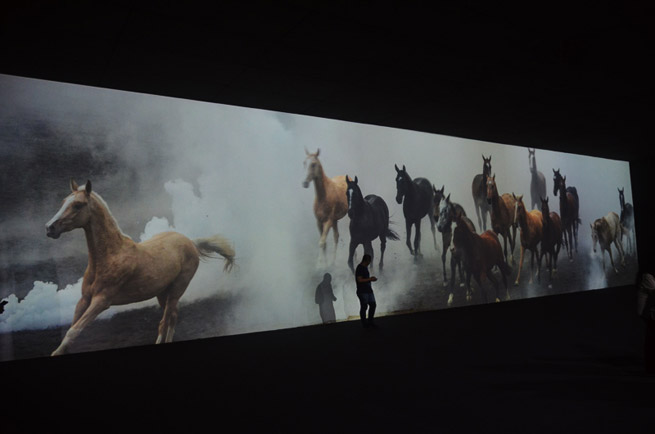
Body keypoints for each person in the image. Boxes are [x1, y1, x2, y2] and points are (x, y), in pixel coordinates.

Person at [638, 272, 655, 373]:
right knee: (651, 341)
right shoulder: (648, 277)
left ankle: (651, 367)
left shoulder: (648, 277)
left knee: (651, 341)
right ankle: (651, 368)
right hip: (650, 314)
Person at [355, 254, 378, 328]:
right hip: (362, 291)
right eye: (369, 261)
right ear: (367, 261)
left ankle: (370, 321)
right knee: (364, 307)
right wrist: (370, 279)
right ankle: (365, 324)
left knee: (372, 305)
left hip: (368, 290)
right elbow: (359, 280)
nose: (369, 263)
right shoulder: (360, 268)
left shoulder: (364, 268)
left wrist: (370, 279)